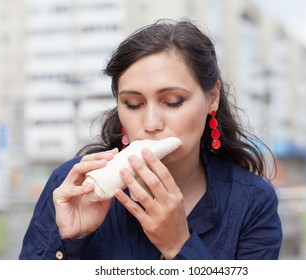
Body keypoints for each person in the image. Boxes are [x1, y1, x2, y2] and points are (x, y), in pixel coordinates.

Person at [19, 19, 282, 260]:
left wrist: (178, 245)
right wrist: (69, 241)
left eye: (173, 102)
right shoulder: (72, 186)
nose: (151, 124)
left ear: (212, 97)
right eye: (133, 104)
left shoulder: (252, 201)